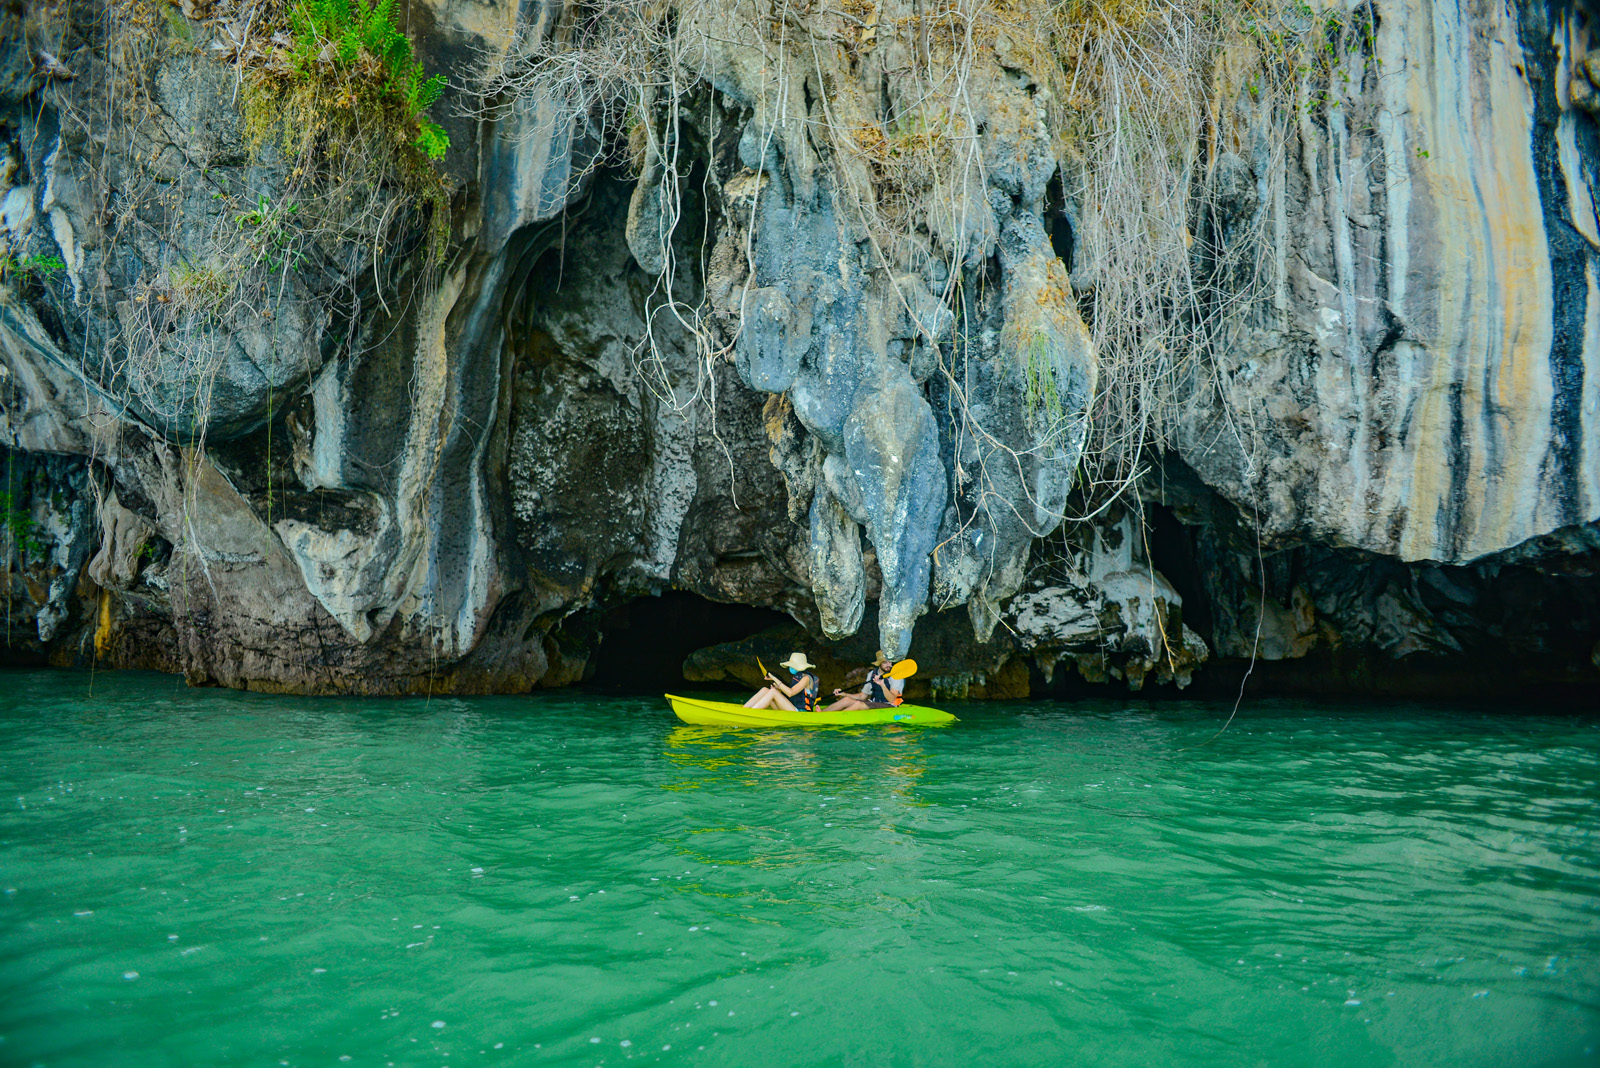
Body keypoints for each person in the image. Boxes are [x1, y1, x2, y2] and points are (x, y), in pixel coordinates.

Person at [826, 652, 904, 711]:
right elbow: (863, 696)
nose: (889, 665)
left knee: (858, 704)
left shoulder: (896, 676)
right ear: (879, 664)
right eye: (885, 662)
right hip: (874, 702)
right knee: (846, 699)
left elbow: (892, 699)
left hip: (889, 705)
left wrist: (882, 685)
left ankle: (835, 718)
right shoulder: (872, 674)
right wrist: (844, 694)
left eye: (890, 662)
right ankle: (820, 714)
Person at [744, 652, 821, 712]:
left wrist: (774, 678)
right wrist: (778, 687)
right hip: (791, 708)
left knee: (773, 692)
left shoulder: (806, 678)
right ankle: (744, 709)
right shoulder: (798, 676)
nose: (790, 667)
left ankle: (751, 712)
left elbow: (790, 693)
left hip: (800, 712)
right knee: (765, 690)